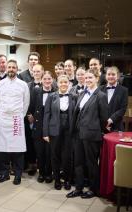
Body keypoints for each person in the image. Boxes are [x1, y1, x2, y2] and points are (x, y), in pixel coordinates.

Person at [66, 69, 108, 199]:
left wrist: (95, 130)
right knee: (78, 162)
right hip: (78, 134)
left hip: (91, 135)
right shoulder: (83, 93)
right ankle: (78, 188)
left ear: (97, 78)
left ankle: (93, 189)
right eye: (86, 77)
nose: (88, 80)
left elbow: (103, 118)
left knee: (91, 163)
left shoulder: (101, 96)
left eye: (91, 77)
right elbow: (77, 113)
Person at [0, 59, 30, 185]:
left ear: (17, 69)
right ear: (6, 68)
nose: (11, 69)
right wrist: (4, 113)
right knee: (3, 148)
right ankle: (4, 173)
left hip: (16, 119)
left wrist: (19, 116)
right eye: (9, 67)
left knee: (18, 149)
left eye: (13, 67)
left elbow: (26, 103)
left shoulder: (23, 85)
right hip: (3, 118)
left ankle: (18, 174)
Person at [43, 75, 77, 190]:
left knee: (67, 156)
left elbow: (77, 116)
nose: (63, 84)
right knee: (55, 156)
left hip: (69, 130)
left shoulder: (74, 96)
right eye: (61, 82)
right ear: (57, 84)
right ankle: (57, 180)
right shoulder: (51, 96)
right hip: (54, 130)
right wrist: (45, 133)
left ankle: (67, 180)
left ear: (69, 84)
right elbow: (46, 115)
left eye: (65, 82)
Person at [28, 71, 56, 184]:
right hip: (38, 126)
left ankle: (49, 173)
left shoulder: (56, 92)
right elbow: (30, 106)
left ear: (52, 80)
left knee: (49, 152)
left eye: (49, 79)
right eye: (45, 79)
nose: (47, 81)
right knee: (39, 152)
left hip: (50, 127)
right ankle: (41, 173)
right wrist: (30, 115)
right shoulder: (36, 91)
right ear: (42, 80)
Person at [100, 66, 128, 132]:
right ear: (105, 76)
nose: (110, 76)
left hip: (117, 127)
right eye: (109, 74)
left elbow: (123, 109)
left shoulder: (124, 90)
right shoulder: (100, 89)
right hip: (101, 127)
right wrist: (104, 123)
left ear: (118, 76)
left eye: (113, 74)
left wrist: (110, 120)